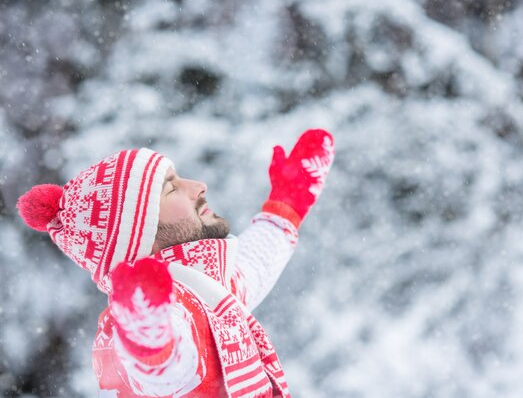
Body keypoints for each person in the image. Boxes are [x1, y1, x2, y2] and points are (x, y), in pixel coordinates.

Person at [16, 129, 335, 398]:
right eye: (171, 187)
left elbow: (253, 267)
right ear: (138, 234)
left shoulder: (210, 292)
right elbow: (165, 369)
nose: (198, 186)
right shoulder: (170, 309)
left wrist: (286, 204)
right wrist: (147, 333)